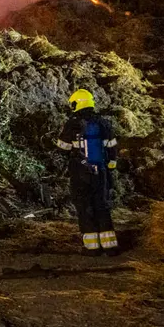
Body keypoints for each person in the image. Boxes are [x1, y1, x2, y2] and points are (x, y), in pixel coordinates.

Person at [55, 89, 120, 255]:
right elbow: (112, 149)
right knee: (102, 206)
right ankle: (110, 246)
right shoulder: (104, 123)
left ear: (77, 103)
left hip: (80, 172)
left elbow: (62, 148)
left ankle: (92, 248)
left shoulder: (73, 123)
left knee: (84, 207)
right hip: (101, 171)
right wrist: (109, 167)